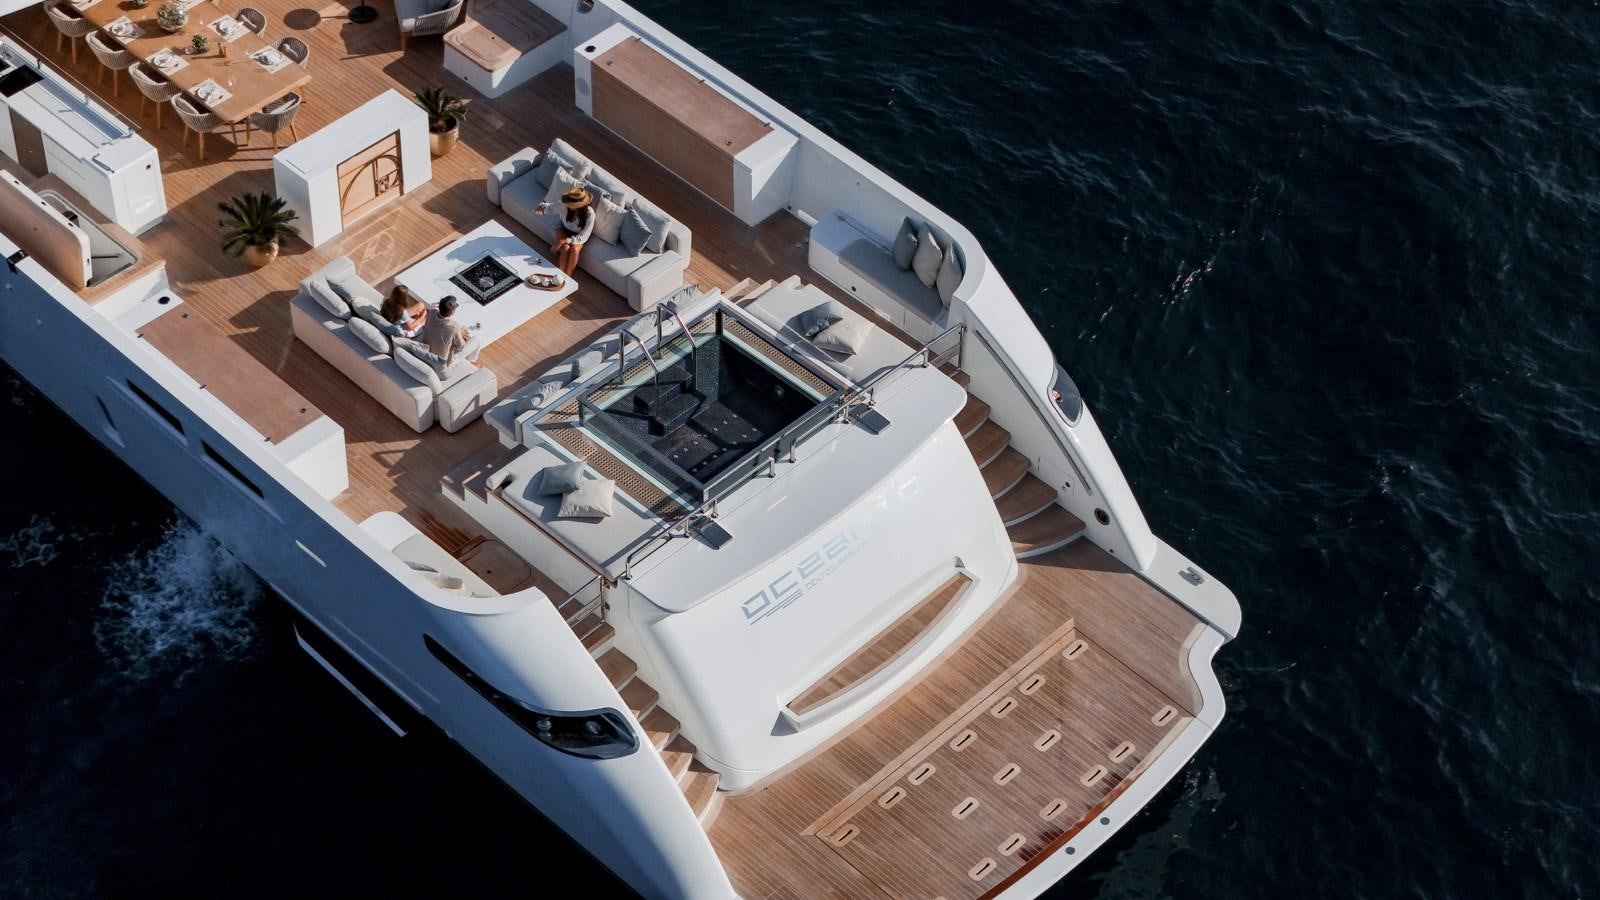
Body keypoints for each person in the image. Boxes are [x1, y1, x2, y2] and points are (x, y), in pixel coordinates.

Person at [536, 187, 594, 275]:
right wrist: (541, 207)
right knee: (565, 248)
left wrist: (563, 241)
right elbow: (551, 207)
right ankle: (561, 274)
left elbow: (583, 236)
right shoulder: (564, 204)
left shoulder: (590, 214)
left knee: (574, 250)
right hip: (563, 227)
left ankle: (568, 276)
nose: (568, 205)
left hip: (579, 236)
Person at [420, 295, 480, 365]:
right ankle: (470, 361)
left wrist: (458, 332)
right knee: (477, 339)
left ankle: (469, 360)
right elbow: (460, 347)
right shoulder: (454, 328)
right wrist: (459, 334)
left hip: (427, 350)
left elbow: (434, 307)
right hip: (442, 362)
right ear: (452, 312)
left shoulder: (432, 313)